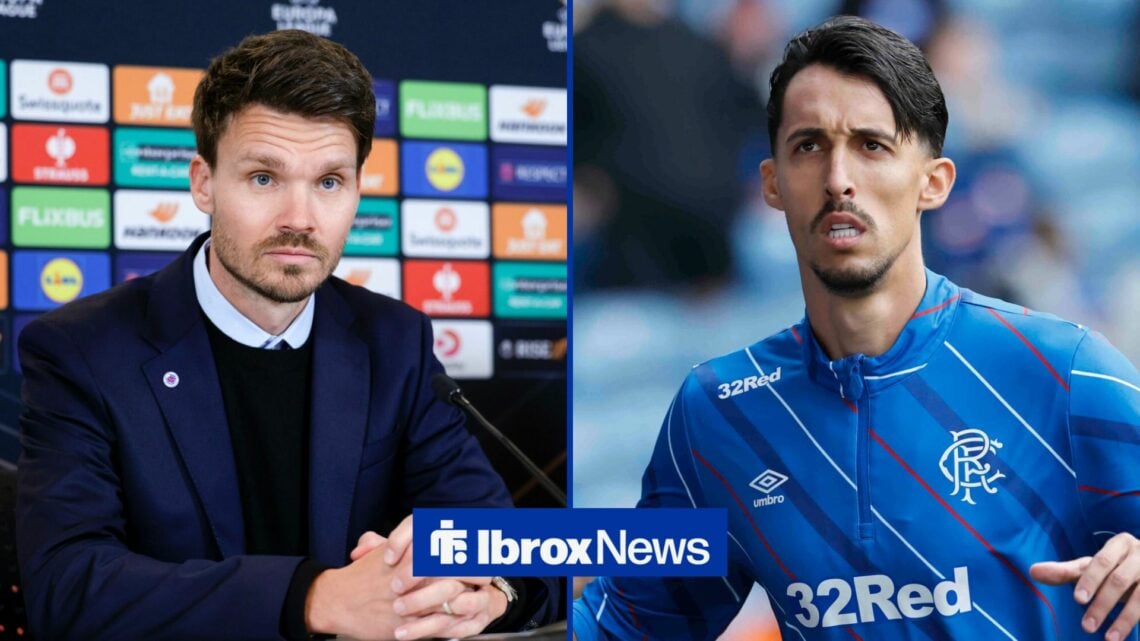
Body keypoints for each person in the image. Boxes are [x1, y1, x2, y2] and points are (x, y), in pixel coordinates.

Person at [574, 16, 1140, 640]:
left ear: (933, 182)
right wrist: (492, 586)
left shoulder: (1063, 369)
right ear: (771, 184)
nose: (838, 178)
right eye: (809, 145)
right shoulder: (718, 414)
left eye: (872, 145)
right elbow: (623, 623)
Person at [16, 30, 557, 640]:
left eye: (329, 181)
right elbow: (66, 586)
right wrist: (314, 598)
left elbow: (500, 540)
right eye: (265, 178)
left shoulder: (394, 341)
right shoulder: (81, 350)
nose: (299, 219)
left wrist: (485, 594)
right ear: (203, 183)